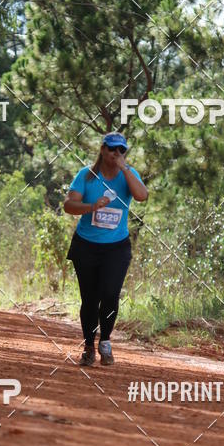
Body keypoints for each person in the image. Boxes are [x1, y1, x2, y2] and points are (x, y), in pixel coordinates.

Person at [63, 132, 148, 366]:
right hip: (86, 246)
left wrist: (125, 169)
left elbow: (142, 196)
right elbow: (69, 205)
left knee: (110, 295)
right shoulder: (86, 176)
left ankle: (106, 341)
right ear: (102, 150)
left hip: (116, 248)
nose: (116, 154)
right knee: (89, 299)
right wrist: (92, 206)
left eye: (122, 150)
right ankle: (89, 346)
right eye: (112, 149)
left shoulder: (128, 175)